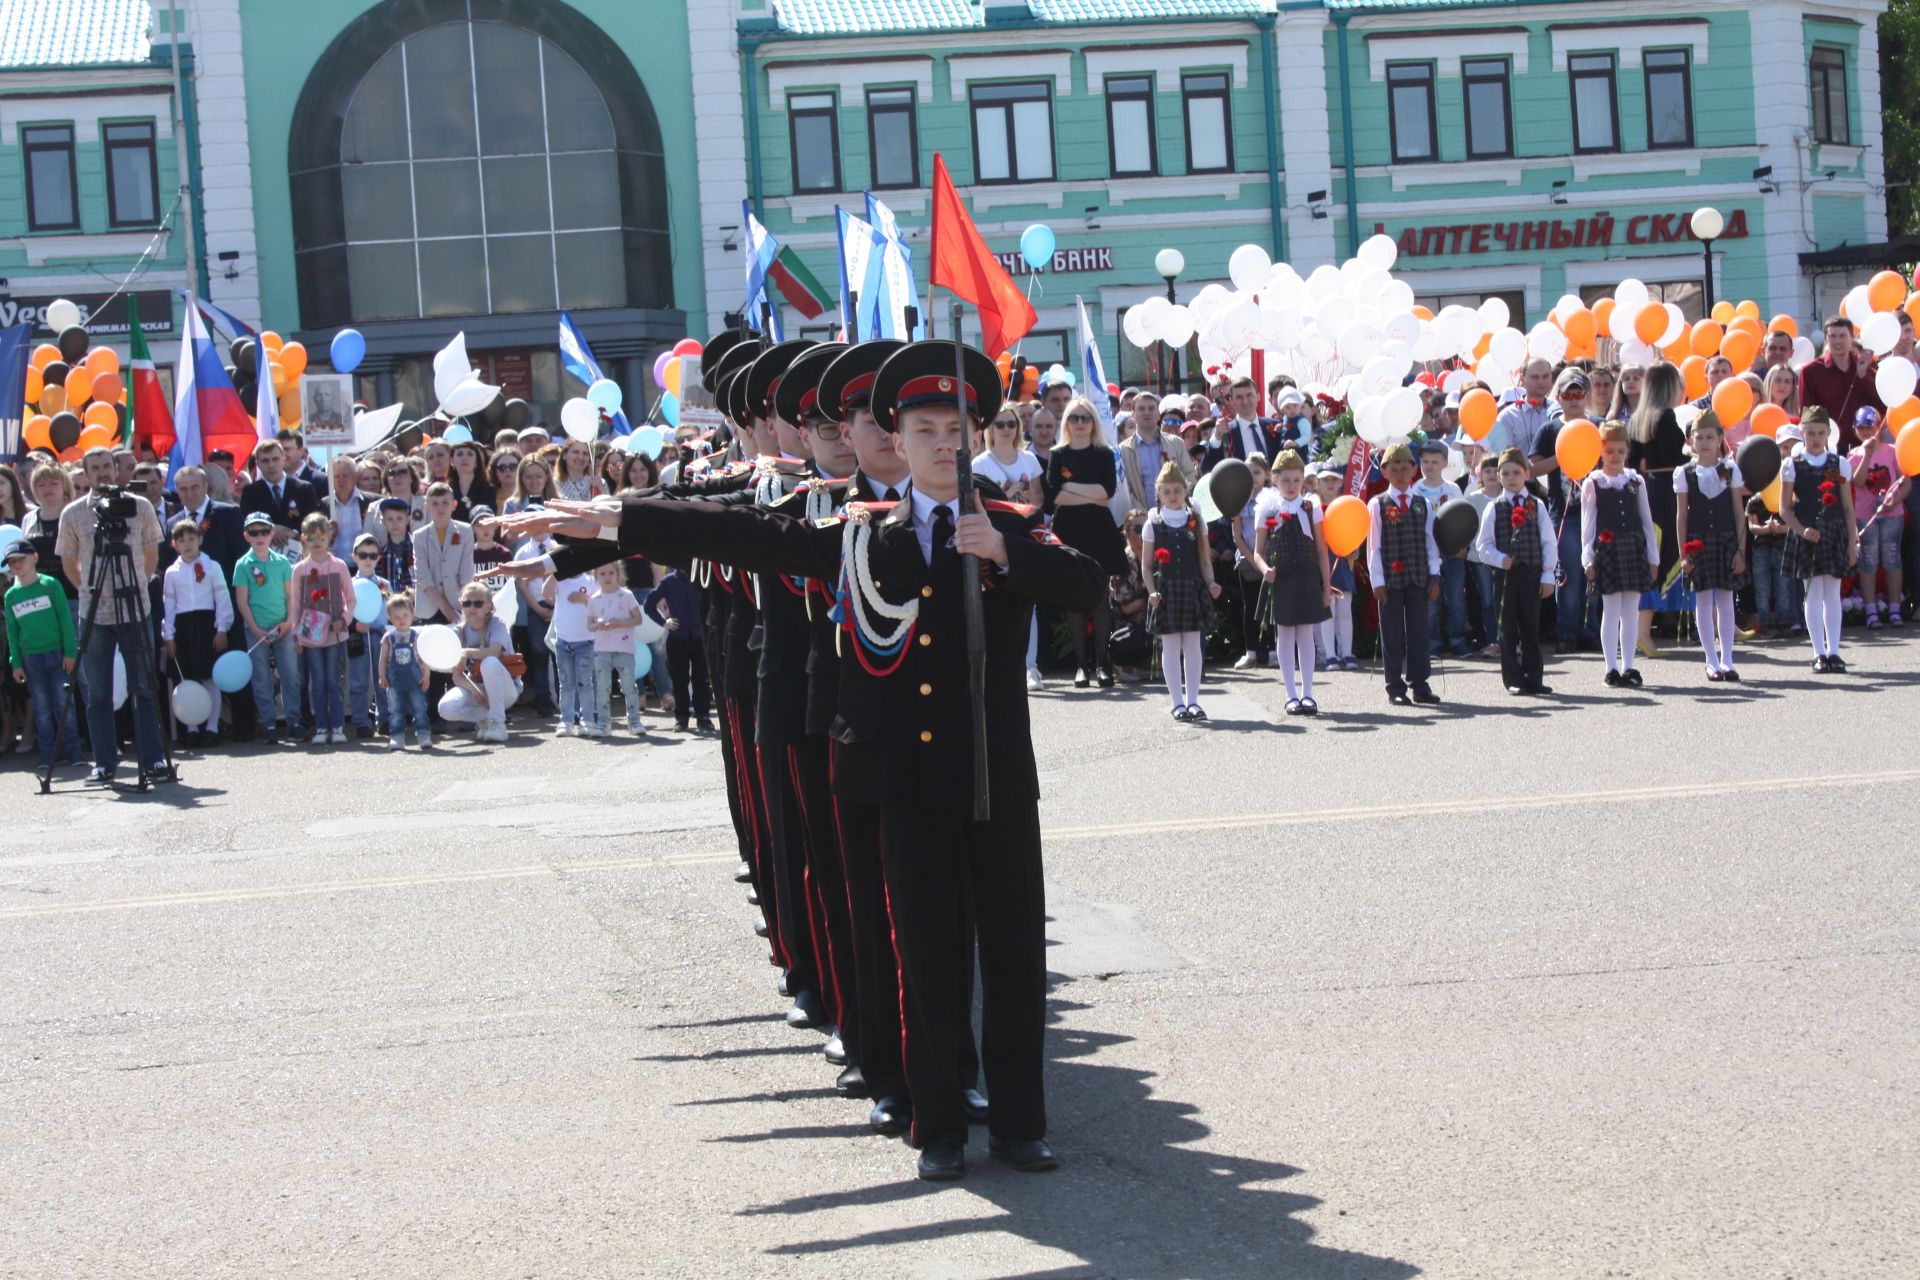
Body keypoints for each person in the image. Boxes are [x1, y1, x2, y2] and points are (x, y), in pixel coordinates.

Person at [492, 339, 1103, 1182]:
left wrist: (1006, 555)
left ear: (972, 435)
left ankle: (1020, 1123)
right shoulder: (858, 536)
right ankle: (938, 1126)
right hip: (906, 780)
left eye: (953, 429)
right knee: (923, 951)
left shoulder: (1003, 526)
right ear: (896, 436)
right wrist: (611, 523)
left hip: (995, 777)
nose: (938, 445)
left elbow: (1092, 586)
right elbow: (742, 530)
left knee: (1008, 950)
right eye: (921, 429)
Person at [56, 446, 168, 783]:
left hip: (136, 608)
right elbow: (68, 562)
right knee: (98, 693)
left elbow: (151, 554)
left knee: (144, 687)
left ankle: (154, 759)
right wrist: (90, 590)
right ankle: (104, 762)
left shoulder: (140, 506)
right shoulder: (73, 513)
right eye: (96, 468)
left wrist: (138, 584)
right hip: (95, 614)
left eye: (108, 465)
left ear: (117, 468)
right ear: (86, 473)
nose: (103, 472)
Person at [1044, 395, 1125, 688]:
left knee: (1101, 600)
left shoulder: (1104, 453)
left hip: (1099, 532)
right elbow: (1054, 495)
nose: (1080, 423)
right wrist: (1088, 493)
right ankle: (1081, 667)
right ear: (1066, 422)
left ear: (1093, 421)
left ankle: (1103, 665)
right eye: (1074, 418)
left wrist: (1071, 486)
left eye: (1085, 417)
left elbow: (1107, 493)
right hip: (1069, 530)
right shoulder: (1058, 453)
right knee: (1075, 601)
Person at [1251, 450, 1330, 715]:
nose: (1291, 486)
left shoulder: (1311, 508)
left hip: (1307, 577)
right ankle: (1290, 694)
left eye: (1297, 480)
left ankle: (1308, 693)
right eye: (1286, 480)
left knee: (1306, 634)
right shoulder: (1267, 508)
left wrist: (1326, 586)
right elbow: (1258, 552)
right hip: (1281, 579)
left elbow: (1321, 550)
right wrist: (1264, 569)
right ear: (1275, 479)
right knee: (1285, 635)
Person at [1780, 408, 1859, 672]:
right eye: (1810, 432)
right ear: (1802, 433)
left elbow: (1847, 507)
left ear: (1828, 434)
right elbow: (1785, 509)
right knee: (1812, 592)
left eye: (1820, 433)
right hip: (1807, 534)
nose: (1815, 438)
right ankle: (1819, 653)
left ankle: (1835, 651)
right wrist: (1801, 530)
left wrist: (1852, 541)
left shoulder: (1838, 465)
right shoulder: (1793, 465)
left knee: (1832, 593)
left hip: (1834, 532)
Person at [1582, 422, 1660, 688]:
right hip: (1608, 551)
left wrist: (1653, 558)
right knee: (1611, 610)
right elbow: (1588, 525)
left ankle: (1629, 666)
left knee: (1631, 612)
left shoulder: (1636, 481)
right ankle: (1611, 667)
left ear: (1627, 451)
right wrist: (1588, 558)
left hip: (1633, 549)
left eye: (1619, 451)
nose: (1615, 456)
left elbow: (1646, 521)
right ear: (1601, 452)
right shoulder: (1593, 483)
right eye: (1609, 451)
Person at [1140, 462, 1219, 721]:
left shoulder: (1196, 521)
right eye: (1167, 491)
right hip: (1166, 591)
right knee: (1171, 647)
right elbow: (1146, 565)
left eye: (1177, 490)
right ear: (1159, 494)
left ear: (1186, 492)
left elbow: (1205, 560)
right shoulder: (1153, 524)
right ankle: (1177, 702)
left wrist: (1211, 583)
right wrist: (1151, 591)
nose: (1173, 496)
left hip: (1192, 586)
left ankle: (1193, 700)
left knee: (1193, 645)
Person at [1475, 447, 1556, 696]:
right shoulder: (1494, 507)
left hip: (1531, 574)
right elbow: (1482, 546)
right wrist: (1500, 559)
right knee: (1507, 628)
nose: (1511, 478)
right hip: (1506, 576)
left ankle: (1534, 677)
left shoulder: (1537, 505)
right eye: (1506, 473)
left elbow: (1548, 542)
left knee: (1530, 627)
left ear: (1526, 474)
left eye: (1516, 473)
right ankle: (1513, 678)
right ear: (1499, 476)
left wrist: (1548, 574)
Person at [1673, 414, 1748, 682]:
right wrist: (1684, 553)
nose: (1704, 442)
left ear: (1719, 440)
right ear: (1691, 440)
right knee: (1703, 600)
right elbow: (1682, 517)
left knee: (1726, 600)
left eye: (1709, 437)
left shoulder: (1730, 470)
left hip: (1726, 541)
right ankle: (1711, 660)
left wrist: (1740, 550)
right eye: (1699, 436)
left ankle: (1728, 658)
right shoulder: (1684, 473)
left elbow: (1740, 514)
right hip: (1698, 543)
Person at [1531, 367, 1601, 654]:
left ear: (1586, 396)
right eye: (1567, 394)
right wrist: (1563, 455)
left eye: (1579, 394)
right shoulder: (1549, 429)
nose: (1573, 399)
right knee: (1569, 572)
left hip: (1595, 512)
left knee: (1593, 573)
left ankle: (1590, 630)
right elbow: (1532, 469)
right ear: (1558, 397)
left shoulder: (1597, 424)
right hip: (1564, 513)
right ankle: (1566, 630)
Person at [1367, 443, 1442, 707]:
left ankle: (1420, 684)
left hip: (1419, 576)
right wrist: (1377, 581)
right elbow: (1373, 546)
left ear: (1414, 470)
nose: (1400, 474)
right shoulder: (1377, 504)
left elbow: (1431, 542)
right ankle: (1394, 686)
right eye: (1394, 469)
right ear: (1385, 472)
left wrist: (1435, 576)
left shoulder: (1423, 504)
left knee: (1420, 632)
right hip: (1391, 578)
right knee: (1393, 633)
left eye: (1405, 468)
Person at [1627, 362, 1688, 656]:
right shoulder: (1666, 416)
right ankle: (1643, 632)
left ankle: (1641, 631)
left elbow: (1631, 462)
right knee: (1664, 557)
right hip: (1667, 490)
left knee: (1654, 555)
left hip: (1648, 489)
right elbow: (1675, 456)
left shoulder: (1638, 419)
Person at [5, 541, 81, 769]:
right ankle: (47, 755)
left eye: (20, 559)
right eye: (11, 561)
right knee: (42, 708)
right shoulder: (11, 596)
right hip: (32, 659)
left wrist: (70, 651)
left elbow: (66, 621)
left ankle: (74, 753)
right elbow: (12, 632)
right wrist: (16, 663)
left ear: (34, 558)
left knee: (64, 705)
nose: (16, 564)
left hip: (58, 655)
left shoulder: (51, 585)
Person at [160, 518, 234, 746]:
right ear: (175, 544)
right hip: (184, 627)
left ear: (200, 540)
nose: (187, 544)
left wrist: (222, 628)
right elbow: (169, 606)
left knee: (210, 678)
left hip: (206, 624)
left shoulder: (212, 567)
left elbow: (222, 599)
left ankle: (212, 727)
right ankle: (192, 727)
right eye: (182, 541)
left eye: (192, 539)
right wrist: (169, 636)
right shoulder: (172, 573)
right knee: (188, 678)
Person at [234, 511, 301, 742]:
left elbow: (290, 596)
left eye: (264, 531)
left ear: (272, 533)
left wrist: (288, 622)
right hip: (257, 627)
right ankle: (269, 723)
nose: (260, 536)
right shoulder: (242, 565)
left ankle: (294, 721)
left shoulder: (282, 562)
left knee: (290, 674)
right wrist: (253, 628)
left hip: (282, 624)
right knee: (261, 677)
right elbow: (242, 601)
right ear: (246, 536)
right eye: (254, 532)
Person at [292, 511, 353, 744]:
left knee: (333, 679)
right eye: (311, 537)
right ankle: (320, 727)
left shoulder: (339, 566)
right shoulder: (299, 570)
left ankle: (337, 726)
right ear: (304, 539)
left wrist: (344, 619)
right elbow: (295, 604)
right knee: (317, 680)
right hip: (310, 637)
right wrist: (297, 634)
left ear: (329, 537)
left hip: (334, 634)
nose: (316, 542)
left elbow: (351, 599)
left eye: (321, 537)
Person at [1847, 408, 1908, 628]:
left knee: (1892, 558)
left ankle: (1894, 609)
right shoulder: (1853, 454)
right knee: (1868, 561)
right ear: (1855, 430)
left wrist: (1894, 501)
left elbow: (1906, 481)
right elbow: (1859, 481)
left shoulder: (1893, 451)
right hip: (1866, 515)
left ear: (1879, 426)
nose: (1866, 431)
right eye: (1861, 427)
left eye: (1870, 426)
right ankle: (1871, 610)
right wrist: (1867, 454)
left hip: (1893, 514)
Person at [1410, 439, 1468, 657]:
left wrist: (1462, 545)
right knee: (1431, 601)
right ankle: (1432, 643)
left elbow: (1462, 517)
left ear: (1445, 463)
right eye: (1425, 461)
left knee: (1455, 599)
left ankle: (1458, 641)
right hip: (1426, 553)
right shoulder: (1416, 489)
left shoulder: (1452, 489)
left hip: (1452, 551)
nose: (1430, 466)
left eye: (1435, 461)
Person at [440, 581, 519, 741]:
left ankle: (498, 723)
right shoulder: (458, 631)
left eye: (478, 603)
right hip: (478, 685)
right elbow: (457, 675)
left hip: (506, 689)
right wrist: (474, 690)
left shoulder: (497, 624)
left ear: (489, 606)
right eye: (467, 603)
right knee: (445, 708)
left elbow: (494, 652)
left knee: (489, 662)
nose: (472, 608)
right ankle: (485, 719)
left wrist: (465, 652)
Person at [647, 562, 712, 733]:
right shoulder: (668, 582)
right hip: (678, 636)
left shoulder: (702, 579)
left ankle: (703, 716)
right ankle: (681, 717)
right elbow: (649, 604)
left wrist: (708, 622)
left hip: (699, 635)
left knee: (701, 678)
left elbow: (713, 601)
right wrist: (664, 622)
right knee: (679, 679)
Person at [1799, 316, 1883, 439]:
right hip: (1829, 446)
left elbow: (1881, 406)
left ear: (1852, 337)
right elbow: (1807, 415)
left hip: (1865, 444)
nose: (1838, 341)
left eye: (1842, 336)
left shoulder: (1867, 365)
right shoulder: (1810, 371)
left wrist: (1863, 376)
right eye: (1832, 336)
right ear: (1826, 339)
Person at [588, 561, 644, 736]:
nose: (607, 577)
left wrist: (621, 623)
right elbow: (589, 625)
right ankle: (604, 723)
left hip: (624, 648)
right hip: (602, 650)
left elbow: (638, 619)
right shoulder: (594, 599)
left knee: (629, 686)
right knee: (603, 688)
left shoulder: (626, 595)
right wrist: (597, 624)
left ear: (618, 574)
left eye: (611, 573)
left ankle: (634, 721)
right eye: (602, 574)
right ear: (596, 576)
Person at [1228, 454, 1273, 670]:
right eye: (1248, 473)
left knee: (1272, 605)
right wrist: (1253, 559)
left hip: (1270, 561)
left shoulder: (1272, 498)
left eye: (1257, 472)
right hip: (1247, 561)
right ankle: (1251, 652)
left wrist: (1264, 560)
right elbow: (1237, 536)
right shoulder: (1239, 499)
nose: (1253, 478)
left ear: (1266, 474)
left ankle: (1273, 651)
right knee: (1251, 607)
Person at [410, 482, 474, 628]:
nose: (440, 508)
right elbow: (422, 575)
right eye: (435, 503)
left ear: (454, 504)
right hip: (430, 606)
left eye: (445, 503)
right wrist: (444, 608)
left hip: (458, 602)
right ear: (426, 506)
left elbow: (467, 572)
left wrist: (463, 603)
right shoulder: (419, 536)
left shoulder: (465, 531)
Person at [347, 532, 392, 739]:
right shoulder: (348, 584)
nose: (368, 560)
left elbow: (391, 611)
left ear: (378, 558)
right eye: (363, 555)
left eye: (372, 555)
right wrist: (355, 624)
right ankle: (361, 721)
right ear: (354, 556)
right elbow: (343, 611)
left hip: (381, 636)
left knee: (382, 678)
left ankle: (384, 719)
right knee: (358, 680)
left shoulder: (384, 584)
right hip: (357, 635)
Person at [1312, 466, 1357, 670]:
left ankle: (1347, 653)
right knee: (1327, 612)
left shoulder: (1346, 507)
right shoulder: (1313, 510)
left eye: (1334, 480)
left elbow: (1354, 531)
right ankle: (1330, 655)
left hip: (1343, 564)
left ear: (1340, 483)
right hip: (1323, 566)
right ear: (1317, 483)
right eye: (1325, 480)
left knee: (1345, 612)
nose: (1330, 484)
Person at [1118, 393, 1195, 509]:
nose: (1147, 412)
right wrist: (1142, 514)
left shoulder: (1176, 443)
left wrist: (1178, 501)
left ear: (1158, 415)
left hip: (1176, 514)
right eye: (1141, 409)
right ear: (1133, 415)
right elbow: (1124, 489)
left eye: (1151, 408)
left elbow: (1190, 476)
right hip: (1142, 518)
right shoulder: (1123, 451)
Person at [239, 438, 320, 547]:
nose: (271, 465)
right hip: (265, 556)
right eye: (265, 460)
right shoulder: (250, 492)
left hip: (299, 553)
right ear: (257, 464)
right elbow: (247, 525)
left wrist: (294, 535)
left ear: (283, 459)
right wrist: (270, 529)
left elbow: (314, 528)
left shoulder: (304, 489)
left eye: (275, 459)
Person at [378, 591, 433, 750]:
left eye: (405, 615)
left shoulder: (417, 636)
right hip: (395, 680)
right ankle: (397, 737)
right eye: (396, 617)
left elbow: (423, 657)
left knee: (420, 708)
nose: (401, 620)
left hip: (415, 678)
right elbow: (382, 659)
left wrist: (427, 674)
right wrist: (382, 676)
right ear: (389, 617)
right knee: (396, 710)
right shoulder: (388, 637)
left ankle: (423, 735)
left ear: (412, 614)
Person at [547, 567, 596, 735]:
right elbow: (545, 592)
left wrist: (585, 599)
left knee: (584, 682)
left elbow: (599, 606)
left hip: (586, 641)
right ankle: (566, 720)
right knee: (566, 683)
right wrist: (556, 570)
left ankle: (587, 720)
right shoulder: (559, 580)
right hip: (563, 642)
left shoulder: (590, 580)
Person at [1464, 455, 1504, 657]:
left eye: (1497, 470)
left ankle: (1510, 640)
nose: (1492, 474)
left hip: (1505, 559)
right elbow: (1467, 528)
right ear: (1480, 473)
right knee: (1488, 600)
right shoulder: (1473, 499)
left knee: (1506, 600)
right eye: (1487, 470)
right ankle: (1493, 640)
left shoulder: (1508, 497)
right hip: (1480, 559)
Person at [974, 407, 1044, 507]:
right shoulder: (979, 463)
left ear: (1017, 427)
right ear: (991, 429)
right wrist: (1007, 494)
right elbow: (977, 505)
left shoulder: (1029, 458)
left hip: (1027, 521)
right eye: (1000, 425)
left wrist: (1030, 494)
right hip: (996, 522)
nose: (1006, 429)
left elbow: (1040, 502)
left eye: (1011, 424)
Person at [1489, 359, 1557, 461]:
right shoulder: (1507, 416)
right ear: (1522, 378)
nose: (1541, 381)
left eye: (1545, 376)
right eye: (1535, 377)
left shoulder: (1559, 410)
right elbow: (1503, 457)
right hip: (1521, 476)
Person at [1747, 488, 1791, 637]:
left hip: (1781, 548)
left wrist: (1781, 529)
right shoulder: (1754, 501)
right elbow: (1752, 527)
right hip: (1761, 550)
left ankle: (1784, 622)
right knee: (1762, 589)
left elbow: (1793, 524)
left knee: (1783, 588)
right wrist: (1767, 529)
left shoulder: (1787, 498)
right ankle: (1765, 623)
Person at [322, 454, 372, 560]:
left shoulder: (372, 502)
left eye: (345, 476)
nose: (341, 480)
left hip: (364, 566)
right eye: (336, 476)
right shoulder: (322, 506)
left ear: (355, 476)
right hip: (334, 567)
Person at [448, 440, 496, 521]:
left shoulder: (488, 489)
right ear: (452, 462)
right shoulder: (447, 489)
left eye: (470, 454)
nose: (464, 458)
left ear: (477, 462)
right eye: (459, 454)